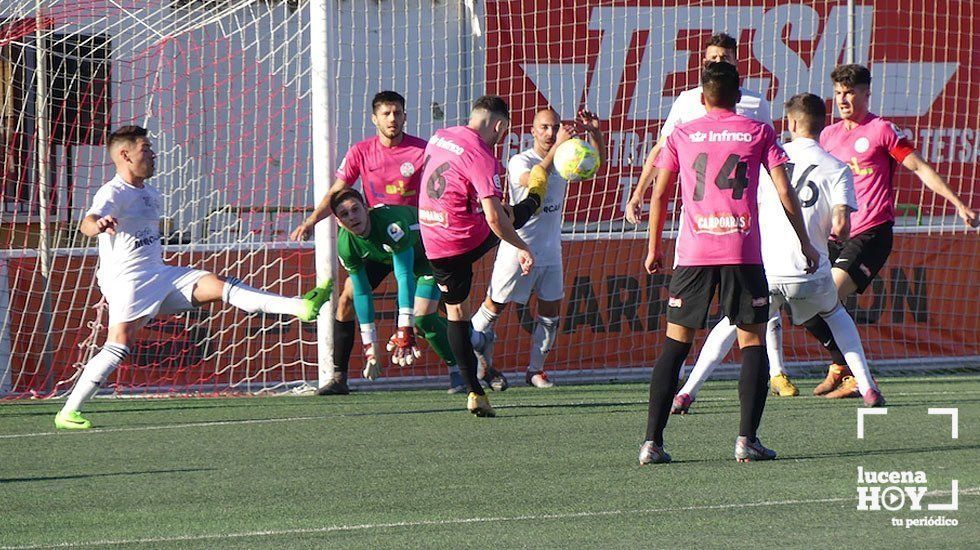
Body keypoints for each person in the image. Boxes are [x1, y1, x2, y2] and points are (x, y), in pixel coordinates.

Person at [55, 126, 331, 430]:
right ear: (125, 154)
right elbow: (87, 222)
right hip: (128, 282)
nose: (153, 154)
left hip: (159, 274)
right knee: (119, 345)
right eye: (146, 149)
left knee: (220, 285)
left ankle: (300, 307)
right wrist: (99, 224)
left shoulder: (150, 192)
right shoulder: (113, 191)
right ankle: (69, 411)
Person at [638, 63, 819, 464]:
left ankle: (652, 442)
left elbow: (660, 195)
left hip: (694, 254)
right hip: (742, 252)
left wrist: (654, 247)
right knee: (751, 341)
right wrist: (805, 242)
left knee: (676, 344)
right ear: (738, 96)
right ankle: (747, 440)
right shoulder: (757, 131)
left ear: (702, 98)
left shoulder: (682, 134)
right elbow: (785, 190)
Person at [671, 93, 885, 415]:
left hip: (766, 271)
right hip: (808, 272)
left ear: (792, 123)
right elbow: (841, 225)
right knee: (835, 314)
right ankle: (867, 386)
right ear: (822, 125)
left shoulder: (769, 159)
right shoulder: (837, 168)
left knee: (732, 323)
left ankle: (688, 391)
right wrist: (834, 231)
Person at [802, 64, 978, 397]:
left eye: (851, 92)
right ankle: (841, 366)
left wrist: (957, 202)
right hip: (834, 235)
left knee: (825, 297)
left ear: (867, 93)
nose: (844, 99)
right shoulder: (827, 136)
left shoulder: (882, 130)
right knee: (805, 302)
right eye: (839, 93)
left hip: (872, 233)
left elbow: (919, 167)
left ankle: (855, 376)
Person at [289, 91, 463, 393]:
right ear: (375, 119)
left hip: (418, 241)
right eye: (386, 113)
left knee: (432, 314)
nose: (392, 119)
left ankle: (471, 363)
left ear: (405, 115)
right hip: (376, 241)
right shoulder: (361, 152)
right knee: (346, 298)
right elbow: (338, 193)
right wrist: (311, 220)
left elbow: (443, 187)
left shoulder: (423, 151)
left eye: (397, 112)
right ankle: (340, 377)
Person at [418, 95, 547, 416]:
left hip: (430, 237)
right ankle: (536, 197)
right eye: (503, 133)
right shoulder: (482, 155)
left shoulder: (440, 136)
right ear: (499, 125)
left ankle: (475, 391)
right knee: (514, 215)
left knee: (456, 314)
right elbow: (493, 219)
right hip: (460, 239)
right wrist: (521, 246)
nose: (501, 138)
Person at [470, 108, 605, 389]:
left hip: (550, 250)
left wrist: (594, 133)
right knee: (493, 307)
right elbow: (533, 181)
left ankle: (536, 370)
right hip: (516, 248)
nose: (551, 132)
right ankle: (471, 363)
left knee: (551, 311)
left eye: (555, 127)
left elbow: (594, 166)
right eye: (544, 127)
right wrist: (557, 148)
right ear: (532, 131)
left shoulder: (565, 159)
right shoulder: (521, 160)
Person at [624, 32, 772, 224]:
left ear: (736, 62)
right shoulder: (687, 100)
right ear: (704, 63)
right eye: (713, 58)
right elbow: (660, 150)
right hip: (697, 217)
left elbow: (770, 157)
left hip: (741, 216)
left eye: (725, 58)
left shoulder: (755, 102)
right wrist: (638, 194)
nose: (719, 62)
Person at [330, 187, 462, 388]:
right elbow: (362, 291)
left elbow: (404, 275)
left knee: (423, 317)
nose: (352, 217)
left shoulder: (392, 226)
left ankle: (459, 370)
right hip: (393, 257)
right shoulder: (345, 246)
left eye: (355, 209)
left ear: (367, 209)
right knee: (350, 291)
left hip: (433, 251)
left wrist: (405, 326)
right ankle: (475, 339)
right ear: (339, 222)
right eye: (344, 214)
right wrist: (370, 345)